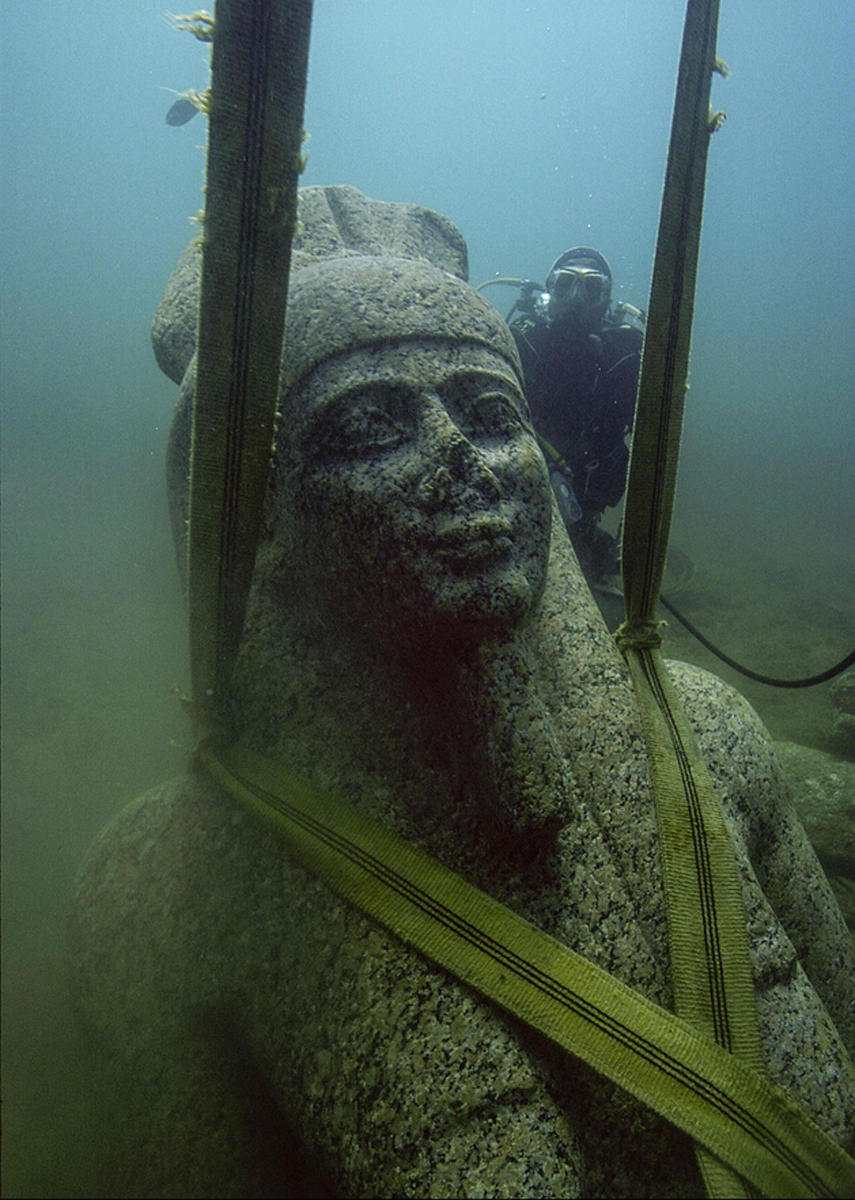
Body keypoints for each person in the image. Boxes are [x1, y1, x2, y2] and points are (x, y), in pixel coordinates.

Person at [71, 187, 855, 1198]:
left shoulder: (716, 737)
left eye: (492, 416)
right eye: (369, 426)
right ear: (261, 523)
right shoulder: (159, 891)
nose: (464, 465)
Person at [508, 247, 644, 583]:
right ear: (548, 291)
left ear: (607, 298)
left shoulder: (626, 356)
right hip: (513, 494)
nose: (576, 298)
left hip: (586, 498)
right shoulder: (522, 340)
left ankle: (586, 539)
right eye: (565, 284)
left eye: (592, 288)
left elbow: (653, 445)